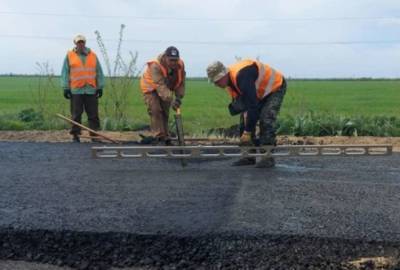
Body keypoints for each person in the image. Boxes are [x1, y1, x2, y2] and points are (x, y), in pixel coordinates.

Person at [206, 59, 287, 168]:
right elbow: (246, 107)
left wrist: (248, 132)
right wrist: (246, 126)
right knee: (244, 123)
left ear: (223, 75)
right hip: (258, 93)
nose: (216, 84)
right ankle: (248, 156)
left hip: (274, 88)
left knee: (266, 119)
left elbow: (252, 106)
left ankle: (268, 158)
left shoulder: (242, 76)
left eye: (216, 81)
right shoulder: (231, 84)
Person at [61, 34, 105, 143]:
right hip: (76, 90)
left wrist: (100, 87)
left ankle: (94, 136)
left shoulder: (93, 55)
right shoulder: (69, 55)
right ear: (75, 43)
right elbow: (65, 72)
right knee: (76, 114)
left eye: (82, 42)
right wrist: (66, 87)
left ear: (85, 43)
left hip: (91, 90)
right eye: (78, 42)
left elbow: (99, 71)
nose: (80, 44)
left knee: (93, 114)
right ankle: (75, 135)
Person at [140, 46, 186, 145]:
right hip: (150, 88)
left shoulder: (180, 65)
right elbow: (160, 86)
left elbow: (181, 82)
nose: (174, 63)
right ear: (165, 57)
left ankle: (165, 137)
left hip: (165, 88)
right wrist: (171, 99)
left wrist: (178, 97)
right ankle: (158, 137)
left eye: (175, 60)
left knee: (165, 112)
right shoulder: (155, 65)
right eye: (171, 60)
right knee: (156, 110)